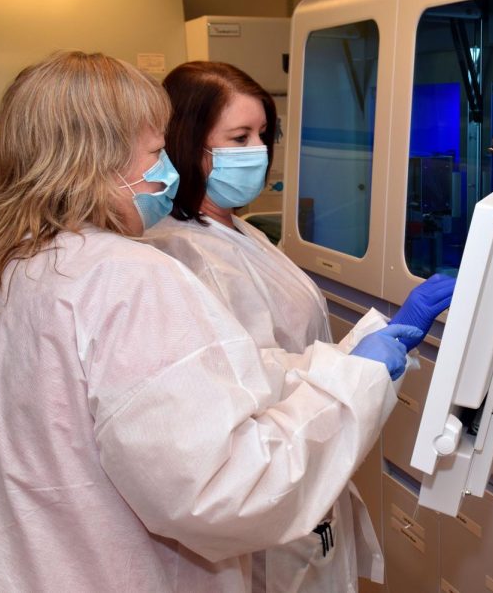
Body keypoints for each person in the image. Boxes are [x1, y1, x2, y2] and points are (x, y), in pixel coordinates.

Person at [0, 51, 431, 592]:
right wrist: (354, 386)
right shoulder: (123, 277)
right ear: (98, 163)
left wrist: (344, 363)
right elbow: (227, 492)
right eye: (156, 151)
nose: (168, 169)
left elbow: (198, 387)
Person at [142, 61, 455, 592]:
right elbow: (258, 378)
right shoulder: (180, 251)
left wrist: (383, 335)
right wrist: (364, 360)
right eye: (239, 137)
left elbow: (295, 352)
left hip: (304, 473)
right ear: (185, 142)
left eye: (263, 134)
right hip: (267, 493)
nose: (258, 150)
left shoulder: (236, 231)